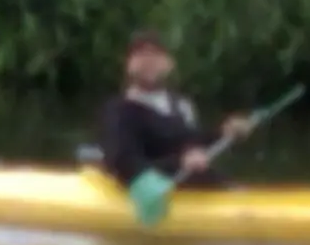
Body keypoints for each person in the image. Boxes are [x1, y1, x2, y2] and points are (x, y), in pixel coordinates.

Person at [98, 30, 252, 190]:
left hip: (195, 188)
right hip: (147, 192)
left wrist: (224, 132)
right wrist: (180, 162)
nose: (149, 62)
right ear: (128, 65)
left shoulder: (182, 105)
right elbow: (124, 164)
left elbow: (192, 142)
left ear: (169, 64)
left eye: (156, 55)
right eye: (141, 55)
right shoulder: (118, 111)